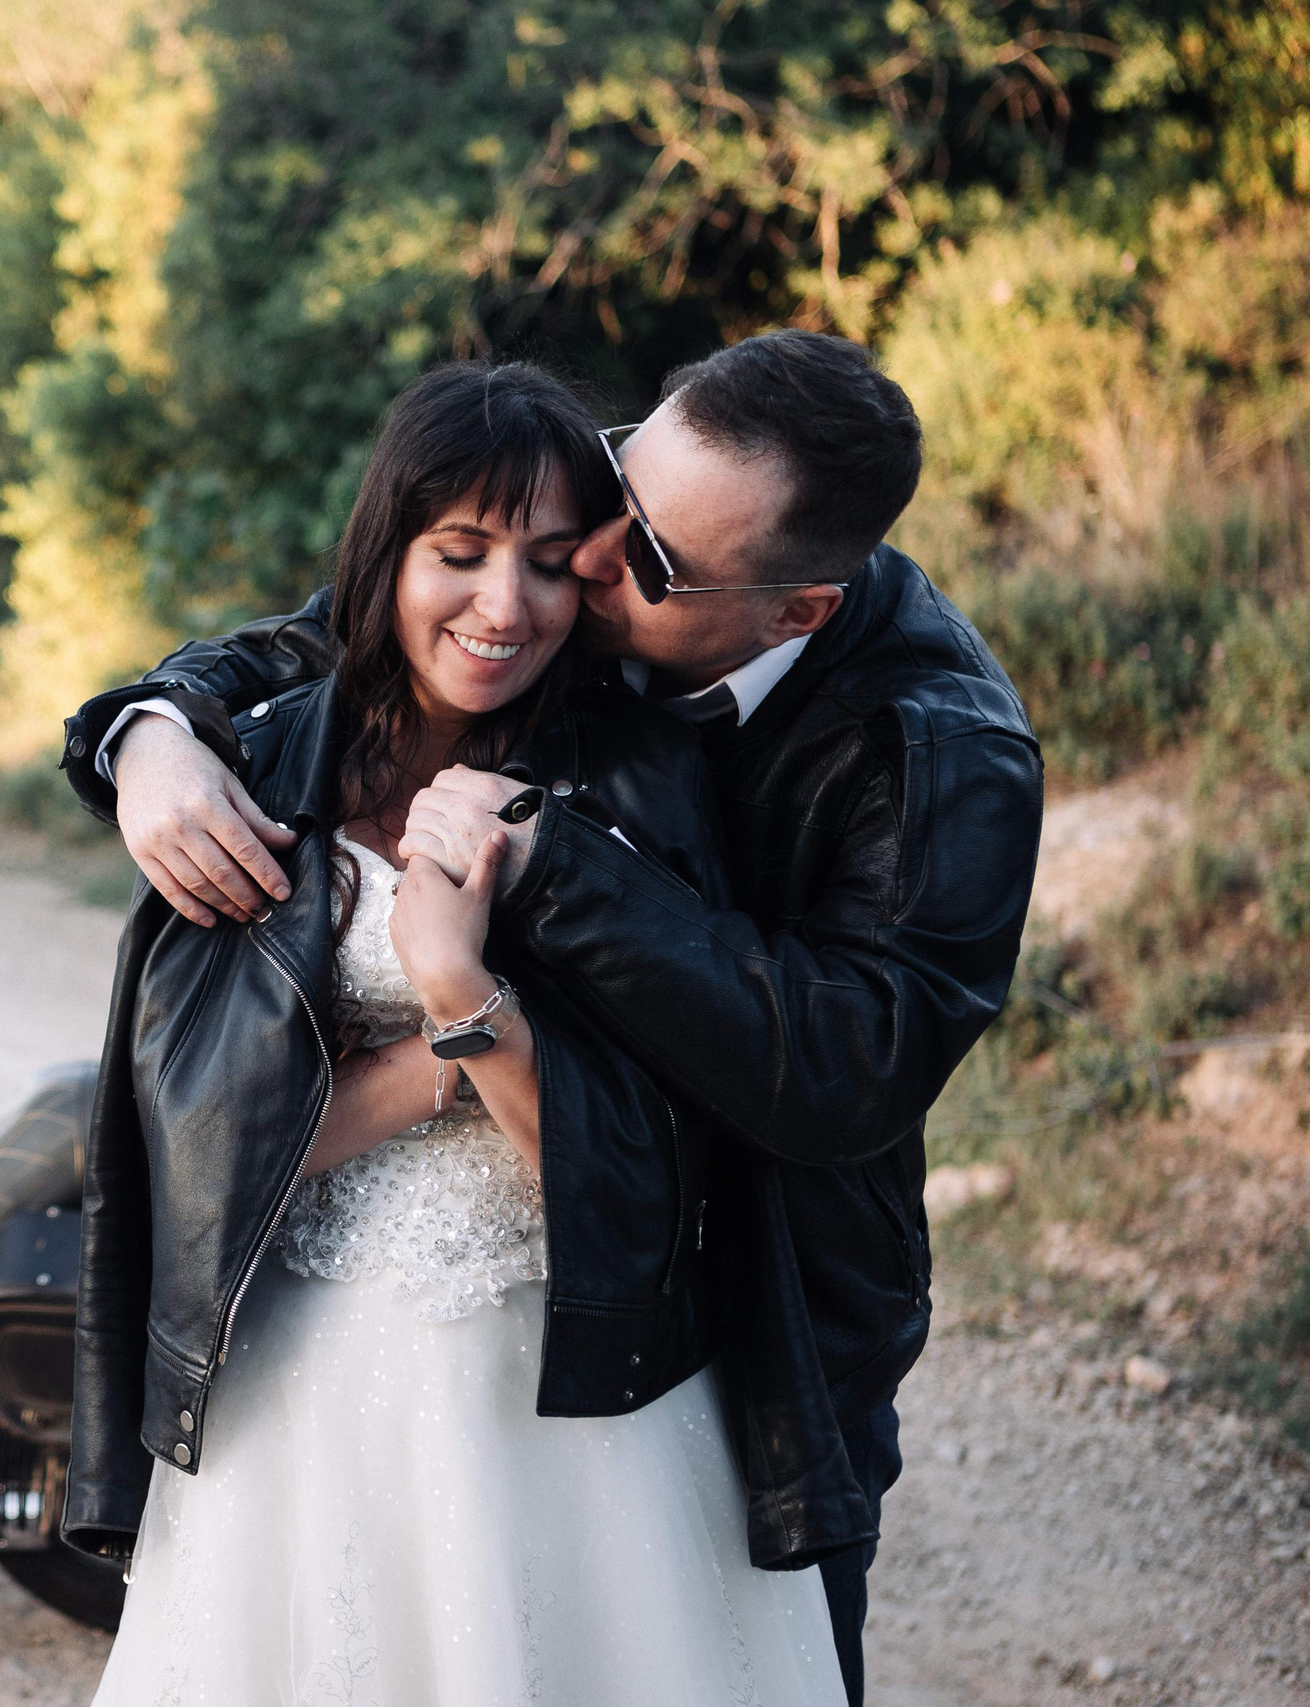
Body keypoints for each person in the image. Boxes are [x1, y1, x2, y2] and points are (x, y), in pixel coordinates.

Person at [63, 331, 1043, 1705]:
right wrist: (154, 727)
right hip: (362, 1311)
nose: (579, 562)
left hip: (765, 1301)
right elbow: (366, 620)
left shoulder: (940, 749)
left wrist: (544, 878)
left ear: (794, 613)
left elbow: (846, 1069)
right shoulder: (578, 575)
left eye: (644, 558)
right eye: (615, 487)